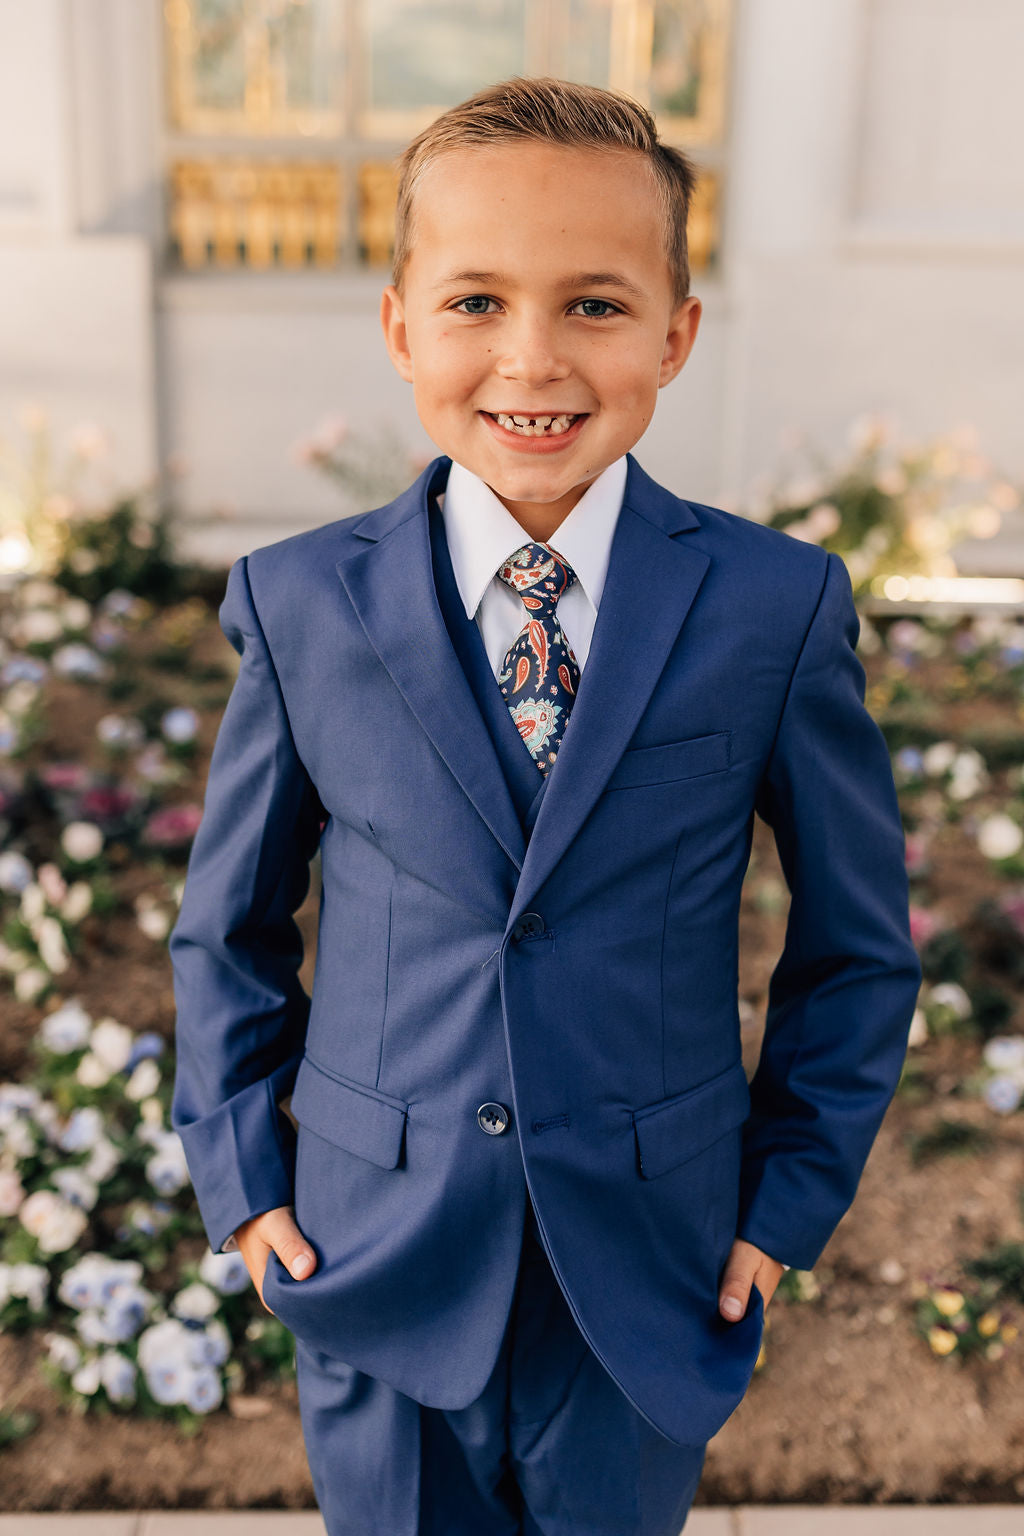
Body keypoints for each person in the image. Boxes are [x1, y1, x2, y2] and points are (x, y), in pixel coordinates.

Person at [169, 75, 922, 1536]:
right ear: (398, 327)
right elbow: (229, 929)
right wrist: (249, 1187)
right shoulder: (302, 602)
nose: (533, 357)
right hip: (368, 1253)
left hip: (649, 1260)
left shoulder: (772, 608)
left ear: (675, 334)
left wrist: (783, 1207)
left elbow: (857, 945)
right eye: (474, 304)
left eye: (593, 305)